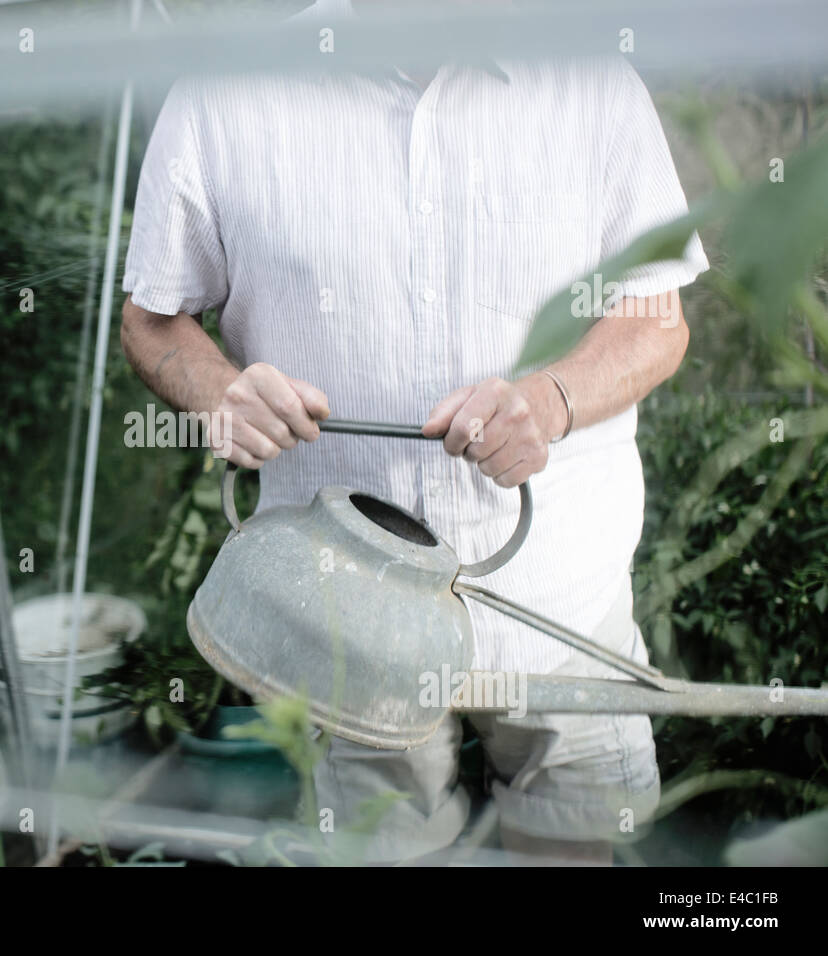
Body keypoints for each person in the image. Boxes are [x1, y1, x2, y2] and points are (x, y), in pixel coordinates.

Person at [119, 0, 708, 863]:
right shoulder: (227, 91)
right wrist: (219, 394)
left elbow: (657, 320)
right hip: (341, 615)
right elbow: (151, 319)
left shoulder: (591, 82)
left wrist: (551, 398)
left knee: (570, 845)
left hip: (561, 607)